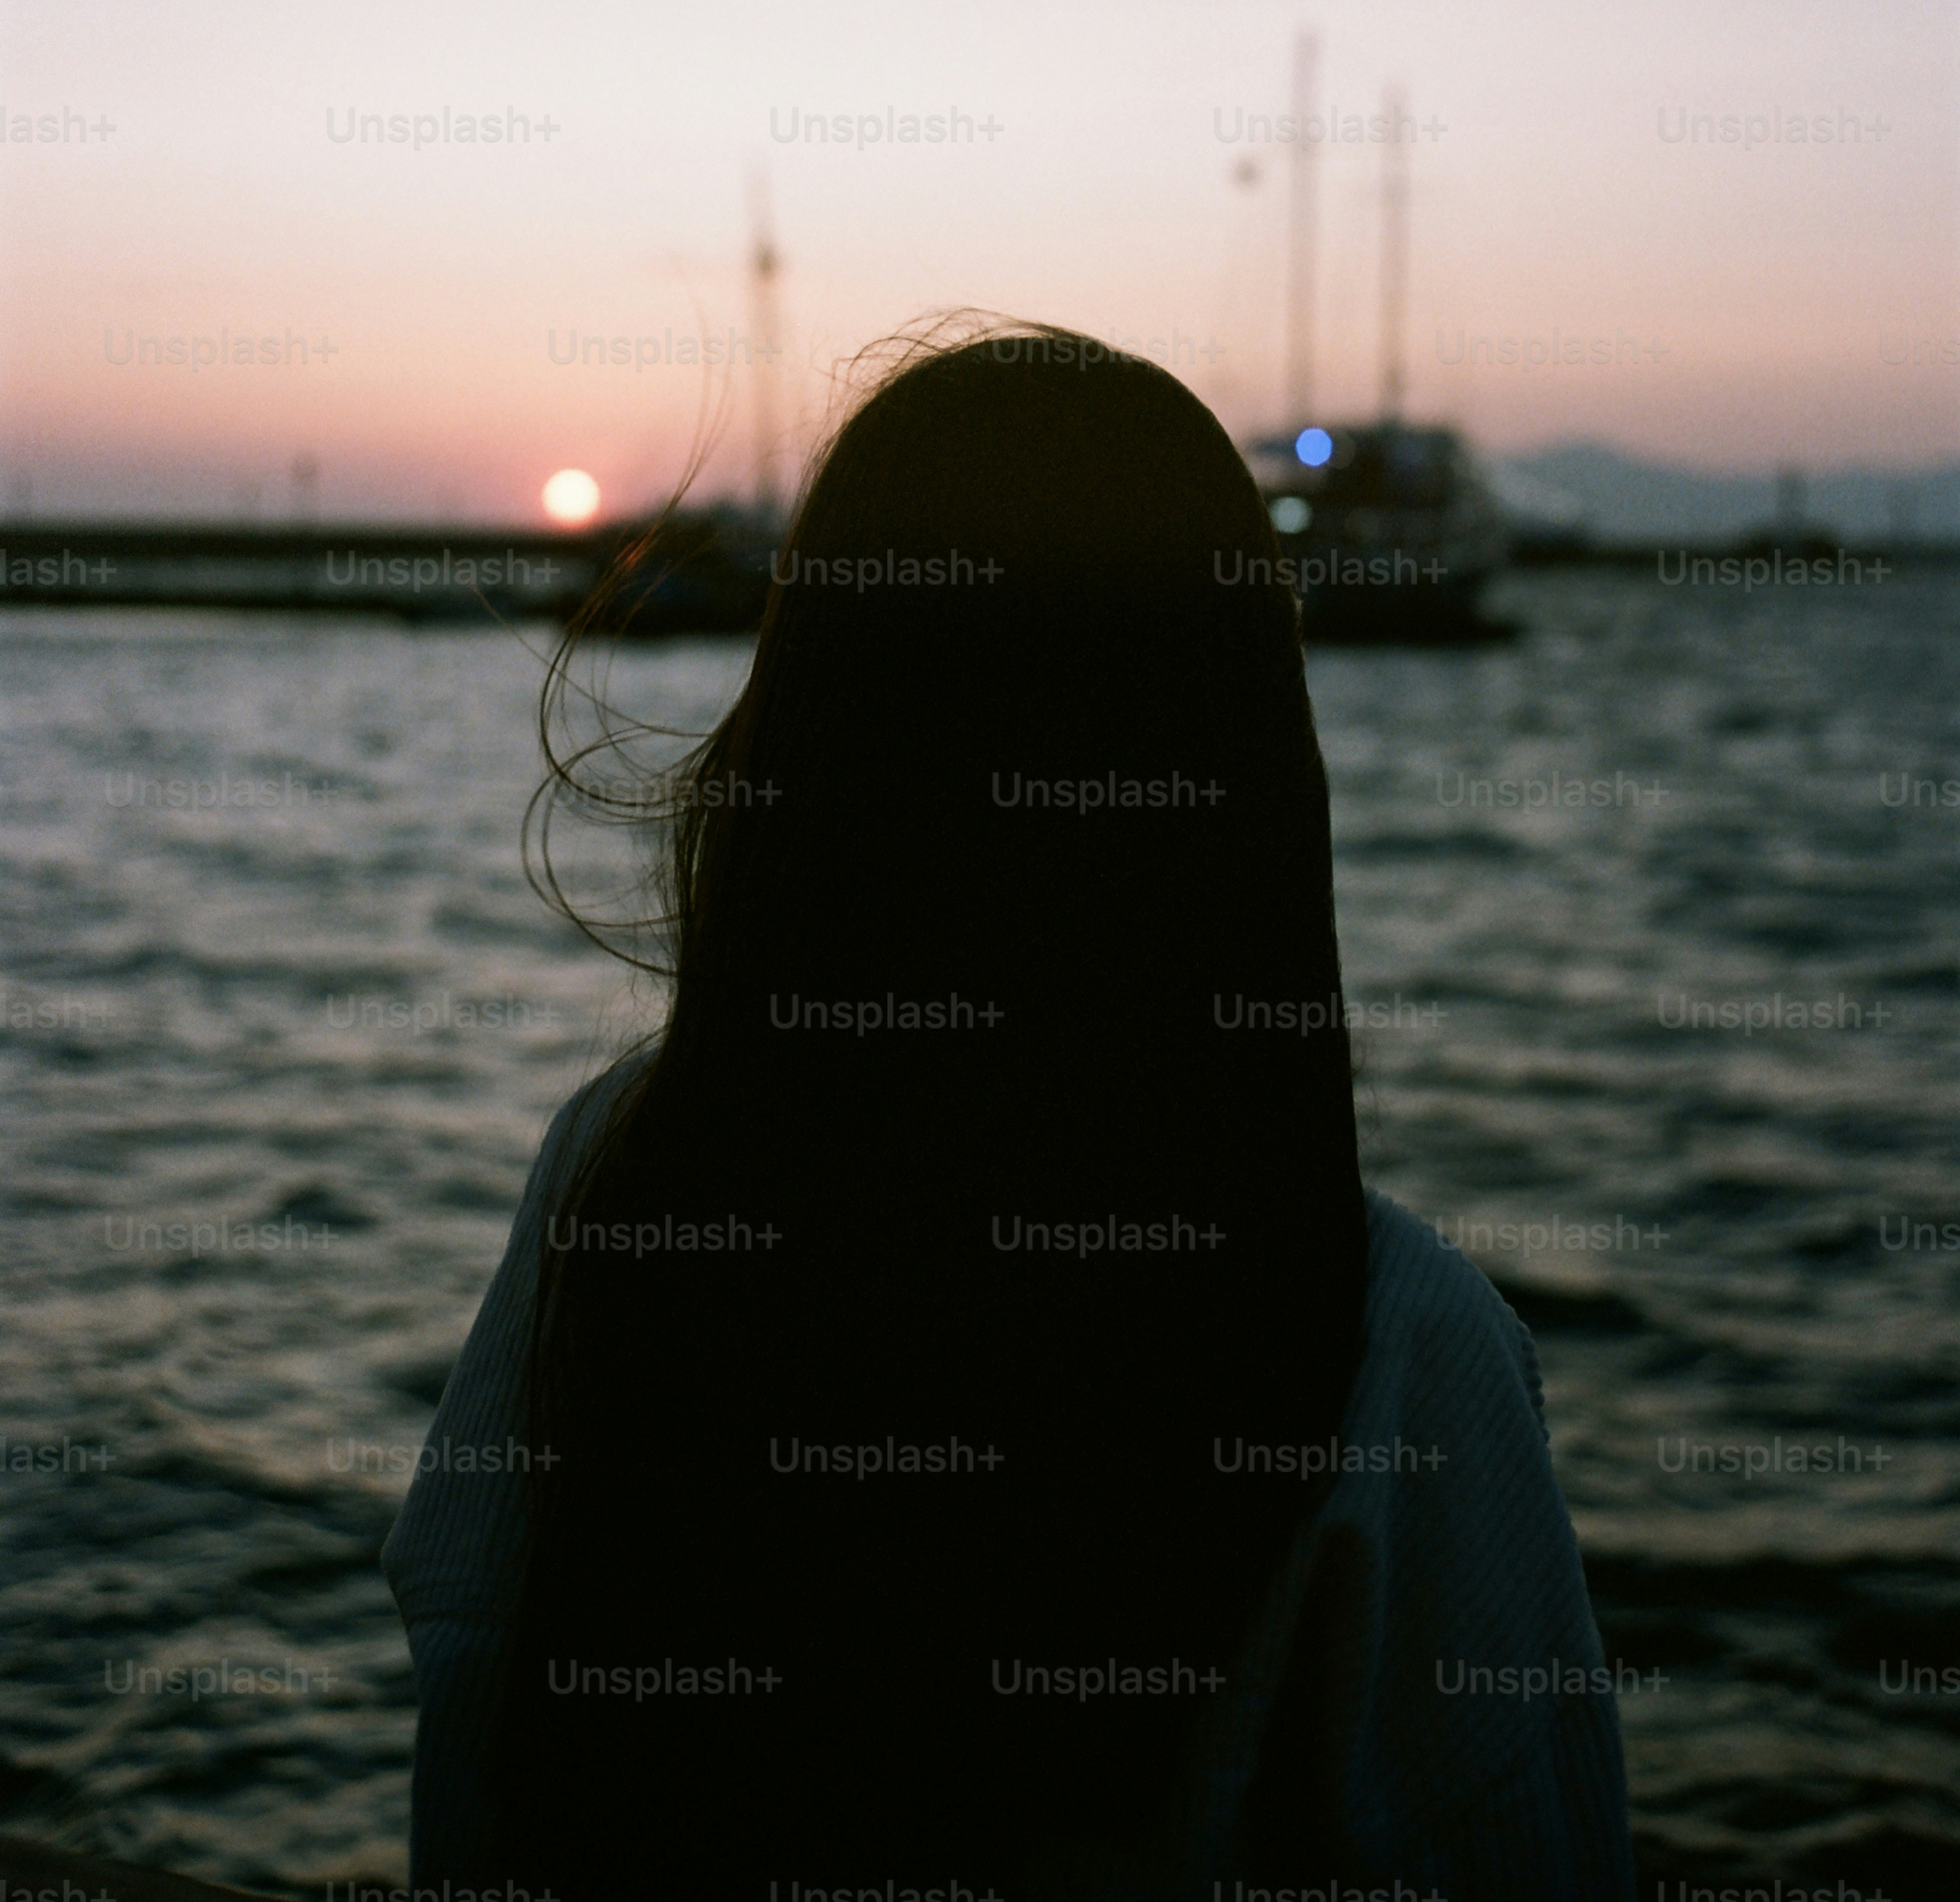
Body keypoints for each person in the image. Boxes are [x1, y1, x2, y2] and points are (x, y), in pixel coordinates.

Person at [382, 324, 1636, 1901]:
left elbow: (480, 1738)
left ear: (815, 723)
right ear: (1246, 753)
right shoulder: (1401, 1344)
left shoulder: (629, 1167)